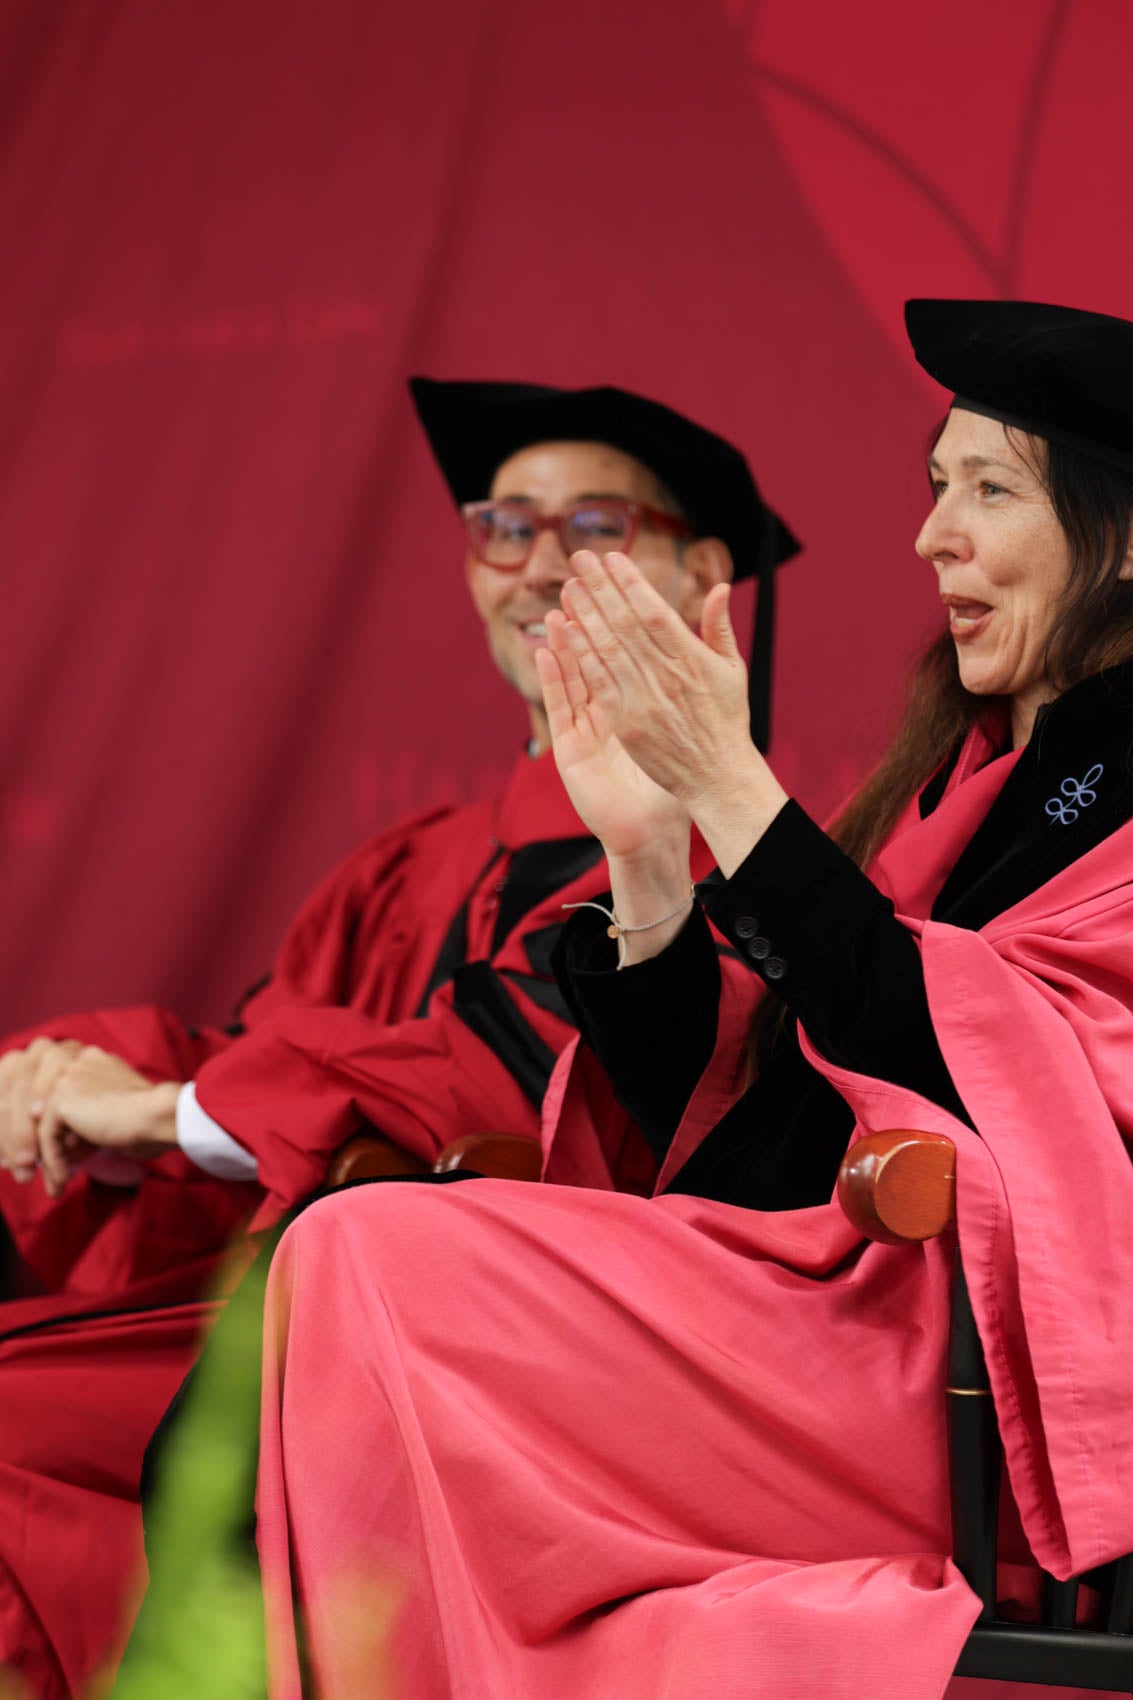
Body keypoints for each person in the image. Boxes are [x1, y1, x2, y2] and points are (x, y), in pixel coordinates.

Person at [240, 301, 1133, 1700]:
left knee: (366, 1258)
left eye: (989, 490)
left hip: (972, 1381)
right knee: (347, 1258)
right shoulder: (963, 783)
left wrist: (732, 784)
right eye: (932, 484)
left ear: (1128, 539)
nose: (930, 536)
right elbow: (765, 1115)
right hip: (816, 1317)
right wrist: (653, 862)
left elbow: (990, 1083)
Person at [0, 377, 798, 1700]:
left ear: (701, 568)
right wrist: (69, 1077)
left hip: (509, 1367)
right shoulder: (409, 864)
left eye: (593, 526)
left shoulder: (736, 856)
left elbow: (514, 1078)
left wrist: (166, 1109)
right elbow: (276, 1038)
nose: (539, 565)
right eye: (504, 527)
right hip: (303, 1317)